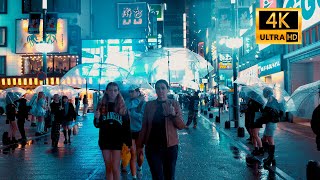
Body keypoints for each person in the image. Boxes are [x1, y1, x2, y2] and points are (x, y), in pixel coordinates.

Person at [136, 79, 186, 180]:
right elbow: (144, 125)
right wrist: (139, 146)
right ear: (155, 90)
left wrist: (173, 115)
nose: (160, 91)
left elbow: (181, 126)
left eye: (163, 88)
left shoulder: (174, 104)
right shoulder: (149, 105)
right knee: (157, 176)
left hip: (170, 147)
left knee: (169, 176)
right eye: (158, 88)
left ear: (167, 90)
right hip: (152, 147)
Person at [93, 82, 132, 180]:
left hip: (118, 140)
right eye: (110, 90)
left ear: (118, 92)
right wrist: (97, 118)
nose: (112, 92)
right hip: (104, 139)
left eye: (115, 90)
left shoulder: (122, 106)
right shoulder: (101, 105)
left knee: (115, 167)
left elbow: (126, 125)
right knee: (108, 167)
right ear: (106, 91)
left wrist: (128, 143)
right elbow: (97, 125)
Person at [121, 85, 146, 179]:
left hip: (139, 130)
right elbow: (125, 108)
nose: (130, 93)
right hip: (129, 131)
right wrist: (136, 101)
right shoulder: (127, 100)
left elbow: (142, 117)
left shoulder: (143, 103)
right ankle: (134, 176)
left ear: (138, 92)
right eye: (129, 91)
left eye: (132, 91)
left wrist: (131, 113)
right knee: (133, 154)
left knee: (140, 155)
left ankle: (139, 167)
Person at [260, 87, 281, 167]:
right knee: (265, 138)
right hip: (269, 122)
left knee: (270, 140)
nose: (263, 94)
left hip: (271, 123)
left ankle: (271, 158)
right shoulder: (270, 100)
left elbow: (271, 112)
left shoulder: (272, 101)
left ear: (267, 93)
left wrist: (264, 109)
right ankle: (270, 157)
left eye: (264, 92)